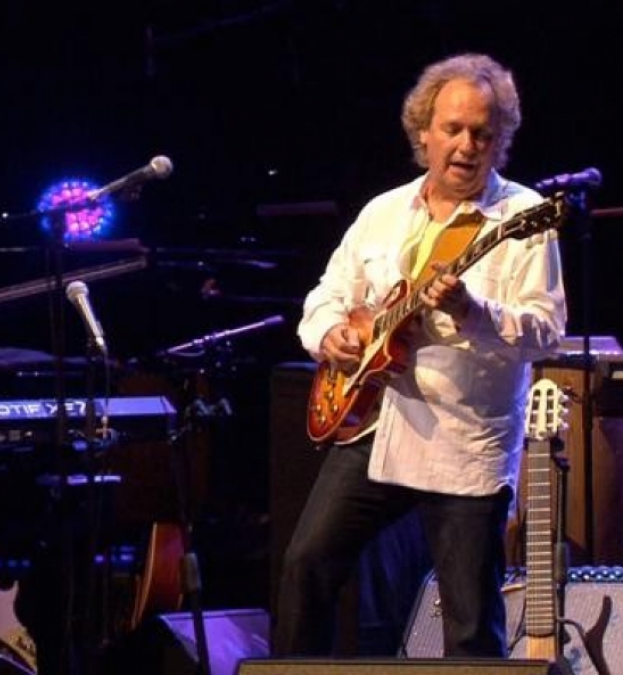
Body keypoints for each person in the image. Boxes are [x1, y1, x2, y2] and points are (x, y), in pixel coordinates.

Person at [273, 53, 567, 658]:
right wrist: (330, 334)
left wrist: (473, 310)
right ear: (423, 133)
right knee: (307, 565)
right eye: (453, 129)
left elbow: (546, 331)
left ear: (500, 141)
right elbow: (326, 297)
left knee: (469, 622)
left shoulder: (522, 217)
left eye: (482, 133)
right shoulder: (383, 213)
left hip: (464, 441)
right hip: (378, 426)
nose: (466, 146)